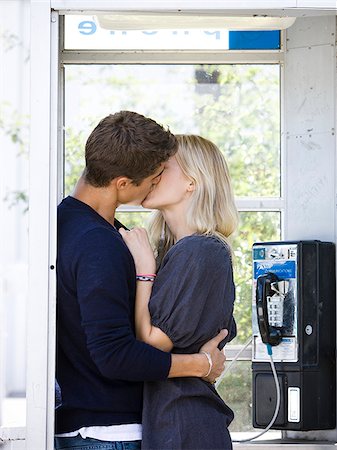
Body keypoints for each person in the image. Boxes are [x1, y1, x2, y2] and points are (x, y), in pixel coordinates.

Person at [55, 112, 228, 450]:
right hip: (108, 431)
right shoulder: (98, 242)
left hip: (95, 425)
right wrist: (201, 364)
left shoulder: (70, 224)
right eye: (154, 174)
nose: (156, 179)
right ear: (122, 183)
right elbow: (115, 354)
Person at [120, 134, 238, 450]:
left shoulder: (201, 250)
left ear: (192, 182)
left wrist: (144, 270)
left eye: (164, 167)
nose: (152, 174)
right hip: (175, 420)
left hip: (185, 425)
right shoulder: (183, 251)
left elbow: (153, 342)